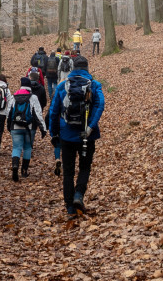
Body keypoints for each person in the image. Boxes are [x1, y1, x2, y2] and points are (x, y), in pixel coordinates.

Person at [49, 55, 105, 216]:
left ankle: (70, 207)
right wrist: (91, 126)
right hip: (87, 136)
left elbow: (53, 111)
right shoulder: (94, 85)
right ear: (87, 68)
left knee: (68, 172)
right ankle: (79, 195)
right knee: (85, 167)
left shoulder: (62, 86)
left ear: (73, 68)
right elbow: (100, 104)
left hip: (66, 136)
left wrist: (54, 134)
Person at [7, 77, 47, 181]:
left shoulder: (13, 97)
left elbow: (9, 113)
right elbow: (38, 114)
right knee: (28, 148)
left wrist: (8, 126)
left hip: (15, 126)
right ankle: (24, 171)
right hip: (29, 127)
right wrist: (43, 129)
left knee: (16, 147)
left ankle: (15, 166)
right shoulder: (33, 97)